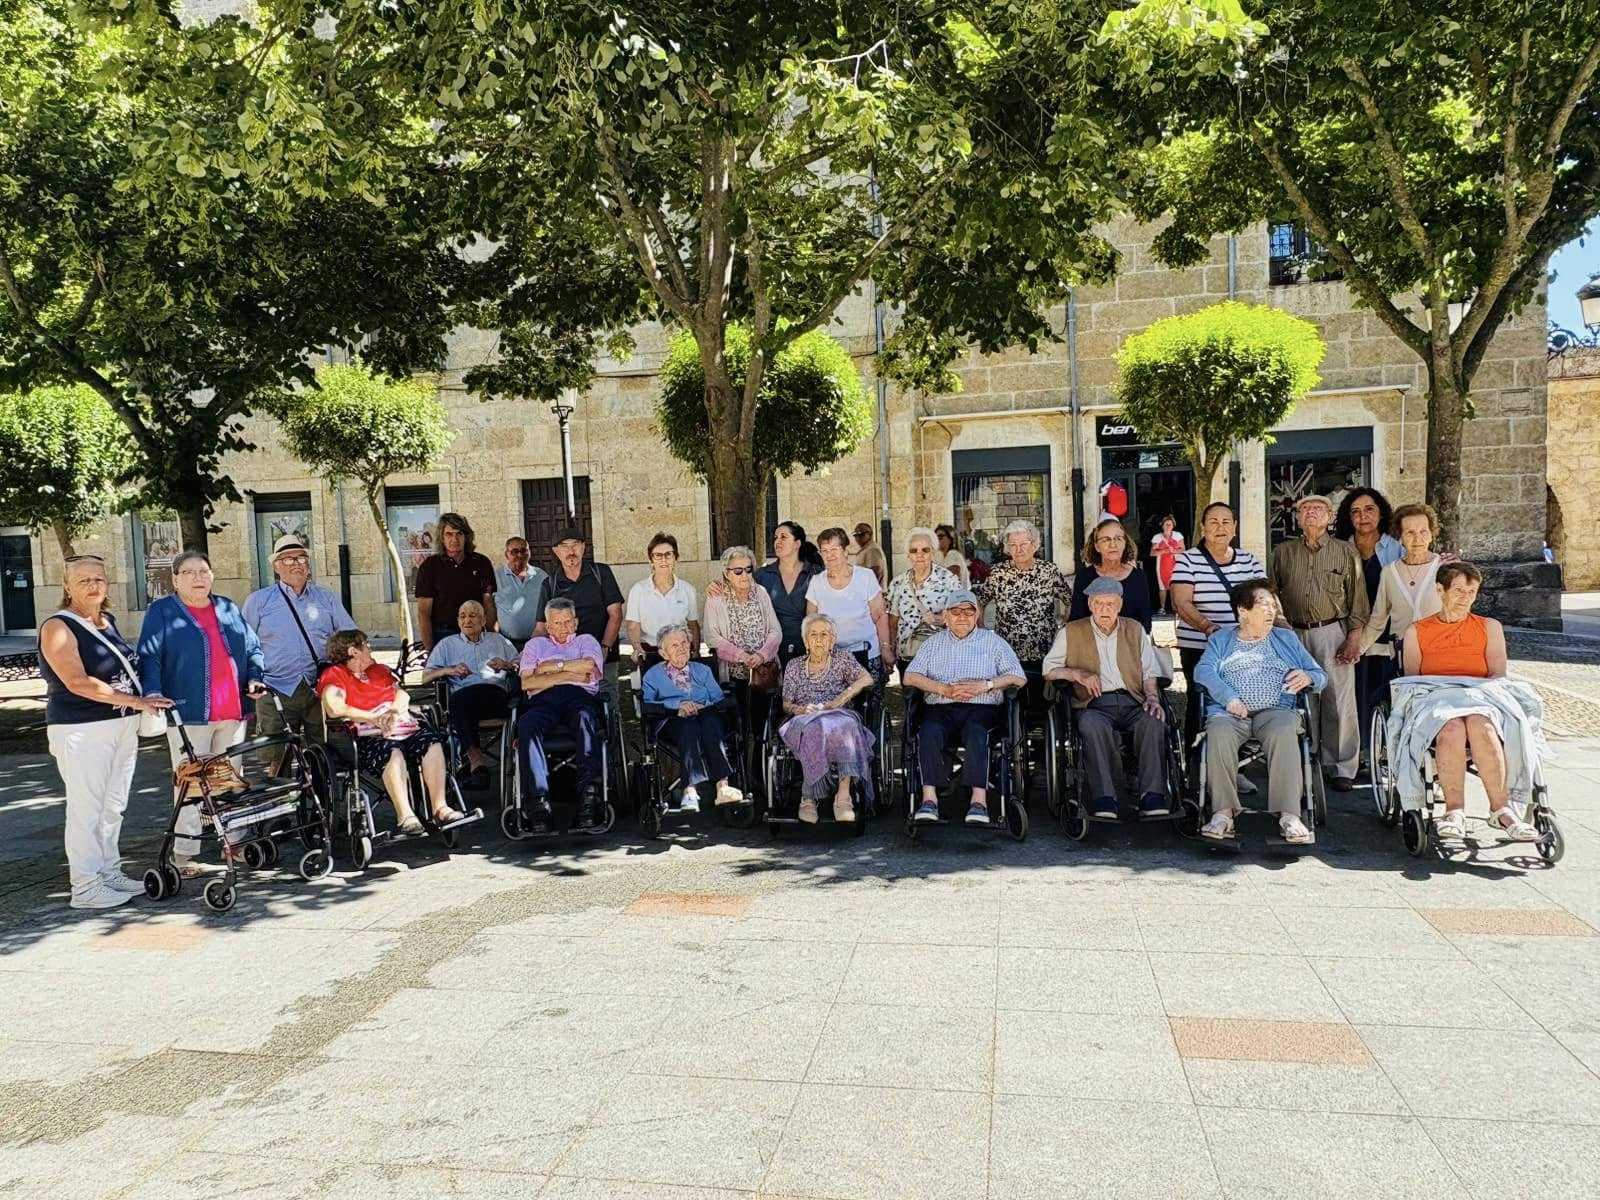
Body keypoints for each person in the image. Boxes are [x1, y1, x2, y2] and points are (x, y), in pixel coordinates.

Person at [40, 555, 175, 908]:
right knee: (86, 809)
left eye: (98, 579)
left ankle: (108, 871)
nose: (93, 586)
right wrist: (136, 701)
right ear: (67, 586)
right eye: (83, 580)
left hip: (120, 725)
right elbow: (77, 682)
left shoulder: (106, 621)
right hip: (82, 728)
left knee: (113, 805)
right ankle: (85, 886)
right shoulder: (58, 627)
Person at [138, 550, 267, 877]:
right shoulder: (162, 611)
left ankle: (234, 842)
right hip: (188, 710)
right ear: (175, 579)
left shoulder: (227, 607)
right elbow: (149, 655)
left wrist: (255, 676)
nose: (198, 578)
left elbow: (252, 647)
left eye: (204, 571)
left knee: (230, 779)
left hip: (232, 710)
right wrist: (152, 692)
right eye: (189, 572)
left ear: (211, 576)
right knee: (191, 782)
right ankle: (185, 854)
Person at [1403, 562, 1536, 841]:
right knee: (1451, 727)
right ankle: (1454, 811)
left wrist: (1471, 698)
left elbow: (1497, 675)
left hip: (1480, 697)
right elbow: (1413, 682)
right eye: (1459, 590)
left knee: (1481, 725)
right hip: (1437, 699)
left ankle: (1502, 809)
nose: (1465, 597)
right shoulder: (1417, 631)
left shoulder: (1489, 627)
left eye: (1472, 591)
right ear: (1440, 590)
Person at [1193, 581, 1327, 844]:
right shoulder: (1221, 640)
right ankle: (1223, 814)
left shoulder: (1285, 638)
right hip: (1231, 714)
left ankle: (1289, 815)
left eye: (1273, 606)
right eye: (1264, 604)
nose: (1271, 610)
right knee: (1218, 731)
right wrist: (1229, 698)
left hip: (1277, 710)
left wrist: (1308, 677)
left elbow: (1320, 675)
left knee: (1285, 730)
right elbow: (1203, 671)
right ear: (1243, 611)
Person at [1043, 577, 1169, 820]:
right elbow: (1049, 670)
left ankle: (1152, 795)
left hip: (1133, 700)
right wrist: (1077, 674)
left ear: (1120, 605)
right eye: (1099, 603)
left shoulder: (1134, 629)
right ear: (1090, 605)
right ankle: (1105, 797)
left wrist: (1152, 698)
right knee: (1091, 726)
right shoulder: (1071, 631)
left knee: (1153, 721)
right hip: (1093, 704)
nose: (1104, 609)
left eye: (1110, 604)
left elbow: (1149, 672)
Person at [317, 630, 464, 834]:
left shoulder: (379, 670)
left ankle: (440, 808)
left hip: (399, 726)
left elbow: (402, 694)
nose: (370, 648)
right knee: (392, 751)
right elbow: (335, 708)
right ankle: (406, 816)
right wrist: (373, 718)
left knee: (431, 742)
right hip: (365, 736)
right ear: (353, 651)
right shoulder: (335, 674)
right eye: (366, 644)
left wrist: (394, 711)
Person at [1269, 494, 1369, 791]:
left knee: (1338, 699)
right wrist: (1281, 628)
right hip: (1293, 632)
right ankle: (1306, 759)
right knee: (1300, 697)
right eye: (1305, 509)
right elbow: (1271, 592)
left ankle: (1341, 766)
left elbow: (1358, 598)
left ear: (1330, 517)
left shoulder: (1346, 551)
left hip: (1332, 631)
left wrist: (1353, 637)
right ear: (1298, 518)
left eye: (1318, 508)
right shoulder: (1283, 552)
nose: (1311, 512)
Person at [902, 589, 1027, 825]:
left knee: (977, 732)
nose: (962, 616)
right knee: (928, 731)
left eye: (968, 611)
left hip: (982, 709)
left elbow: (1018, 677)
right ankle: (929, 800)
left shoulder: (993, 641)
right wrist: (943, 689)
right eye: (956, 612)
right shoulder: (932, 643)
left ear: (977, 615)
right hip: (941, 707)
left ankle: (978, 802)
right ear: (945, 617)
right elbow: (910, 676)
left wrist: (985, 685)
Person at [242, 533, 356, 746]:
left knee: (325, 752)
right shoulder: (258, 601)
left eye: (302, 558)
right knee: (277, 756)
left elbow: (351, 636)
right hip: (275, 689)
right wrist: (251, 679)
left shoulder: (326, 598)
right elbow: (244, 645)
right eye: (288, 559)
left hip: (319, 687)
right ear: (276, 566)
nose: (296, 564)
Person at [1169, 502, 1266, 749]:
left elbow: (1265, 599)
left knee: (1241, 699)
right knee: (1200, 700)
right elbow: (1181, 602)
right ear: (1203, 527)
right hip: (1200, 647)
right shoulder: (1187, 560)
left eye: (1225, 522)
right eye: (1213, 522)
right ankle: (1196, 760)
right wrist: (1208, 628)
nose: (1220, 527)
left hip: (1243, 648)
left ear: (1234, 527)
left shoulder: (1248, 560)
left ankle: (1235, 758)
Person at [517, 597, 608, 827]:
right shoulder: (535, 645)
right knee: (526, 725)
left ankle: (589, 795)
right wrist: (569, 673)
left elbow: (589, 667)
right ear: (547, 626)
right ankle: (538, 801)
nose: (563, 627)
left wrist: (549, 670)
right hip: (543, 701)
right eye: (557, 623)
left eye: (568, 622)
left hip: (579, 697)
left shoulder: (587, 641)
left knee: (586, 719)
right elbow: (527, 683)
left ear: (575, 622)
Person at [780, 613, 876, 823]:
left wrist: (841, 698)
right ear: (806, 641)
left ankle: (843, 796)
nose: (818, 639)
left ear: (832, 640)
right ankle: (809, 797)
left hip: (839, 714)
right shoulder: (794, 666)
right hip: (805, 717)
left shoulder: (843, 659)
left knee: (848, 724)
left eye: (824, 634)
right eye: (813, 635)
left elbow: (867, 679)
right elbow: (786, 704)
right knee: (814, 728)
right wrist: (801, 709)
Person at [640, 623, 744, 813]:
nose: (681, 648)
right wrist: (676, 706)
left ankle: (722, 787)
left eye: (684, 643)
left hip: (705, 716)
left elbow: (719, 699)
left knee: (710, 723)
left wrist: (703, 706)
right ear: (663, 653)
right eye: (674, 645)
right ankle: (690, 790)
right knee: (689, 727)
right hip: (672, 721)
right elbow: (647, 705)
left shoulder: (702, 670)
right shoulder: (652, 675)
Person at [421, 600, 520, 786]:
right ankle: (477, 763)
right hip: (464, 700)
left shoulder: (498, 640)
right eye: (462, 616)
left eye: (473, 615)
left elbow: (521, 665)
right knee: (458, 701)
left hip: (494, 696)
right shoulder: (447, 644)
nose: (467, 620)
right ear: (458, 621)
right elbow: (425, 677)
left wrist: (505, 664)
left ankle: (477, 764)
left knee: (463, 701)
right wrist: (449, 670)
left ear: (483, 621)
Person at [1337, 487, 1402, 760]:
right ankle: (1357, 756)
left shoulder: (1396, 549)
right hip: (1347, 634)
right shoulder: (1339, 548)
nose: (1362, 516)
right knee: (1352, 696)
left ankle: (1382, 753)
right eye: (1355, 511)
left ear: (1381, 513)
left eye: (1369, 509)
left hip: (1384, 634)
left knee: (1382, 692)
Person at [536, 526, 625, 713]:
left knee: (608, 706)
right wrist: (530, 652)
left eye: (575, 545)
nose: (571, 551)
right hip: (566, 659)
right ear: (556, 551)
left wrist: (604, 648)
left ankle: (612, 732)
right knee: (575, 707)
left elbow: (615, 614)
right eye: (564, 546)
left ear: (583, 547)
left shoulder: (601, 573)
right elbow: (541, 627)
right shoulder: (549, 584)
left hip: (604, 656)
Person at [973, 519, 1074, 677]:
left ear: (1034, 544)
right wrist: (982, 630)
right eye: (1013, 545)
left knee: (1041, 692)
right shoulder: (998, 573)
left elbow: (1070, 600)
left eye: (1023, 544)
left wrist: (1063, 630)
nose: (1018, 549)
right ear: (1007, 548)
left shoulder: (1048, 571)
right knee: (1011, 691)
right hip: (1007, 653)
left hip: (1044, 652)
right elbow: (979, 601)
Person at [806, 526, 893, 683]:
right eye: (824, 551)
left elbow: (880, 616)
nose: (829, 555)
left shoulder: (865, 577)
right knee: (838, 699)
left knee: (869, 698)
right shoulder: (816, 582)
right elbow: (811, 622)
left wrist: (886, 648)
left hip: (867, 654)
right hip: (832, 659)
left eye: (834, 549)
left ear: (845, 551)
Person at [1358, 503, 1443, 658]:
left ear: (1432, 534)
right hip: (1402, 657)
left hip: (1440, 656)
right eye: (1410, 533)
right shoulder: (1389, 572)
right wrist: (1355, 650)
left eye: (1423, 531)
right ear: (1400, 537)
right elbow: (1377, 621)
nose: (1417, 539)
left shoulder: (1445, 568)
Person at [415, 513, 497, 653]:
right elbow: (423, 612)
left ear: (466, 536)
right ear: (442, 537)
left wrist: (491, 639)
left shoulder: (481, 563)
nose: (454, 539)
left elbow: (488, 605)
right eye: (449, 534)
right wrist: (430, 650)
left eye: (459, 533)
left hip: (476, 634)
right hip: (443, 636)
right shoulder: (429, 566)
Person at [704, 544, 781, 684]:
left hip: (764, 672)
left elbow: (775, 630)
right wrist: (741, 656)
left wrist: (761, 655)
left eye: (748, 569)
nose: (744, 575)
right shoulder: (716, 597)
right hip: (733, 675)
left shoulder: (761, 592)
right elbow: (711, 636)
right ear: (726, 573)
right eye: (738, 571)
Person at [624, 531, 700, 670]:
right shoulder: (638, 590)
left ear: (676, 558)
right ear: (651, 560)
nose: (663, 560)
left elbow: (693, 625)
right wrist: (638, 649)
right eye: (658, 555)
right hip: (651, 653)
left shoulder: (687, 589)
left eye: (668, 554)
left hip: (680, 654)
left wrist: (695, 651)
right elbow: (633, 626)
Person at [885, 527, 962, 663]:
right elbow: (892, 622)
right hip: (908, 657)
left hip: (941, 657)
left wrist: (943, 618)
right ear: (908, 555)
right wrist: (889, 649)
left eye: (925, 550)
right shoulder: (898, 583)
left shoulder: (948, 580)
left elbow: (963, 613)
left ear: (933, 553)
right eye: (913, 551)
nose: (919, 554)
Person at [1068, 518, 1155, 631]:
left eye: (1118, 538)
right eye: (1106, 540)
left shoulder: (1138, 576)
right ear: (1097, 546)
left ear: (1125, 543)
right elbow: (1076, 619)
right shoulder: (1084, 576)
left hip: (1130, 639)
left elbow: (1145, 622)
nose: (1113, 544)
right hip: (1092, 640)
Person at [494, 536, 548, 649]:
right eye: (514, 551)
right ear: (506, 554)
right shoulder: (496, 577)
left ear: (529, 553)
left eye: (524, 550)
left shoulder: (541, 576)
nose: (520, 555)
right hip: (506, 643)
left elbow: (549, 606)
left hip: (537, 642)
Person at [1150, 515, 1185, 614]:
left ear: (1173, 525)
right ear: (1162, 526)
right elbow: (1152, 553)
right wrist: (1165, 550)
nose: (1168, 526)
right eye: (1166, 524)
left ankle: (1175, 608)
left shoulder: (1178, 536)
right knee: (1162, 586)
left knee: (1175, 586)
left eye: (1170, 524)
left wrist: (1173, 550)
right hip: (1162, 564)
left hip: (1175, 564)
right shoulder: (1157, 537)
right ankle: (1162, 608)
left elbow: (1183, 549)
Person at [852, 522, 888, 588]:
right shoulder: (866, 549)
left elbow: (876, 571)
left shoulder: (872, 549)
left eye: (862, 534)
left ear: (870, 534)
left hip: (871, 591)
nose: (858, 537)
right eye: (855, 535)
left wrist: (868, 589)